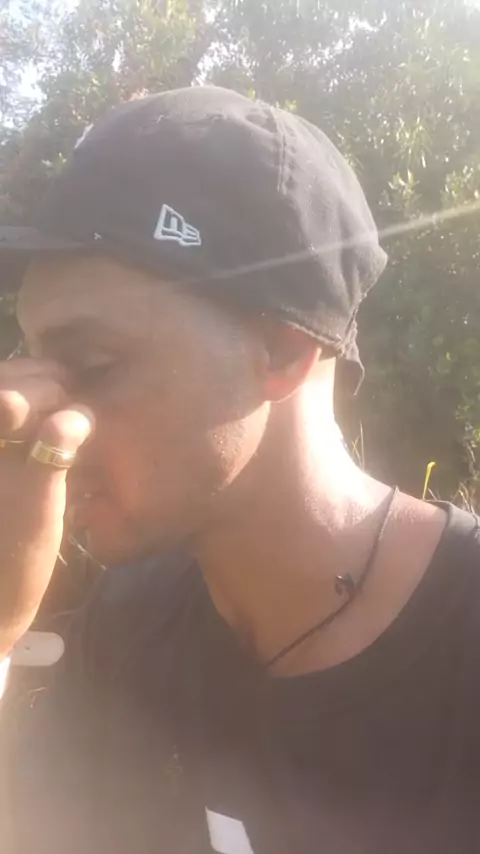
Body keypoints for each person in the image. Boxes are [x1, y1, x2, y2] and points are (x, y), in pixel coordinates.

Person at [0, 86, 479, 854]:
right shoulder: (126, 626)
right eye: (29, 360)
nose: (39, 413)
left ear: (283, 350)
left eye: (89, 364)